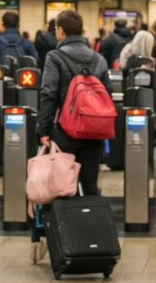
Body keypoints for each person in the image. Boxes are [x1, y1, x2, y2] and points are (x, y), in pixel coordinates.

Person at [36, 10, 111, 197]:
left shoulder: (55, 57)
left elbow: (49, 94)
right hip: (94, 130)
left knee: (63, 185)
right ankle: (89, 223)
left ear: (60, 31)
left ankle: (67, 224)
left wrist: (42, 130)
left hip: (64, 130)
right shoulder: (98, 59)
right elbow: (107, 94)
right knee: (90, 184)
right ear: (81, 31)